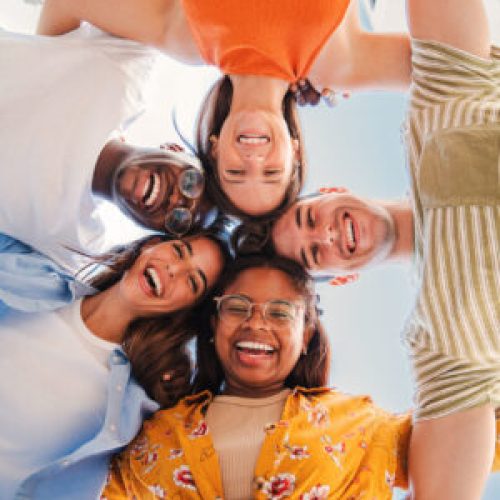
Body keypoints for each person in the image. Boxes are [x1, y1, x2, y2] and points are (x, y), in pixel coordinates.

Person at [271, 0, 500, 497]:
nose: (327, 235)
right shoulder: (439, 342)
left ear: (332, 192)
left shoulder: (435, 111)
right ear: (344, 277)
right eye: (315, 254)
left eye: (310, 219)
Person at [102, 255, 500, 499]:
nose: (256, 324)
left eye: (280, 313)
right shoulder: (154, 434)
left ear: (305, 334)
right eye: (238, 307)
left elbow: (471, 432)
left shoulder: (359, 426)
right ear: (213, 323)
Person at [37, 0, 412, 218]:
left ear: (214, 150)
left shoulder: (188, 40)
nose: (253, 158)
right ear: (295, 152)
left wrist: (56, 100)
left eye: (235, 171)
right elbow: (463, 69)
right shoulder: (338, 66)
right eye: (270, 172)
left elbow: (66, 3)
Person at [0, 26, 212, 314]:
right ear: (176, 149)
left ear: (154, 234)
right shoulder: (126, 66)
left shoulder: (75, 244)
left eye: (178, 219)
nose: (175, 200)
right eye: (191, 181)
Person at [0, 233, 226, 500]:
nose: (173, 269)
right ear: (150, 246)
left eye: (192, 281)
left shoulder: (129, 406)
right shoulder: (33, 275)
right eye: (178, 251)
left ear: (185, 311)